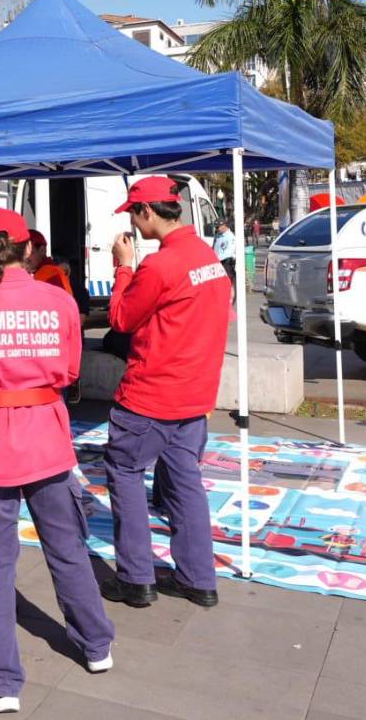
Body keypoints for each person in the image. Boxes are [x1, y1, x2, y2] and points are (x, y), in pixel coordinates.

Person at [0, 209, 113, 713]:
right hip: (47, 441)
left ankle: (5, 679)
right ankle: (96, 645)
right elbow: (73, 368)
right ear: (28, 249)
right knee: (68, 549)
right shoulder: (58, 301)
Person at [102, 176, 231, 610]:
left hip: (151, 395)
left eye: (133, 216)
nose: (133, 227)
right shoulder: (207, 256)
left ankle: (136, 579)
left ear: (148, 212)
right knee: (185, 484)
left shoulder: (160, 265)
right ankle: (199, 579)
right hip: (194, 397)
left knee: (125, 474)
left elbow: (120, 318)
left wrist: (123, 266)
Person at [26, 230, 73, 297]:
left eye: (30, 252)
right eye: (21, 253)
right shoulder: (52, 272)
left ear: (42, 250)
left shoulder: (48, 274)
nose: (25, 257)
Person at [213, 220, 237, 300]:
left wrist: (217, 259)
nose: (217, 229)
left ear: (225, 225)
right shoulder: (217, 235)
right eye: (216, 227)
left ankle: (230, 299)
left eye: (218, 227)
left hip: (226, 262)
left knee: (228, 282)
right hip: (217, 262)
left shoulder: (231, 237)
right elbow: (214, 248)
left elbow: (229, 252)